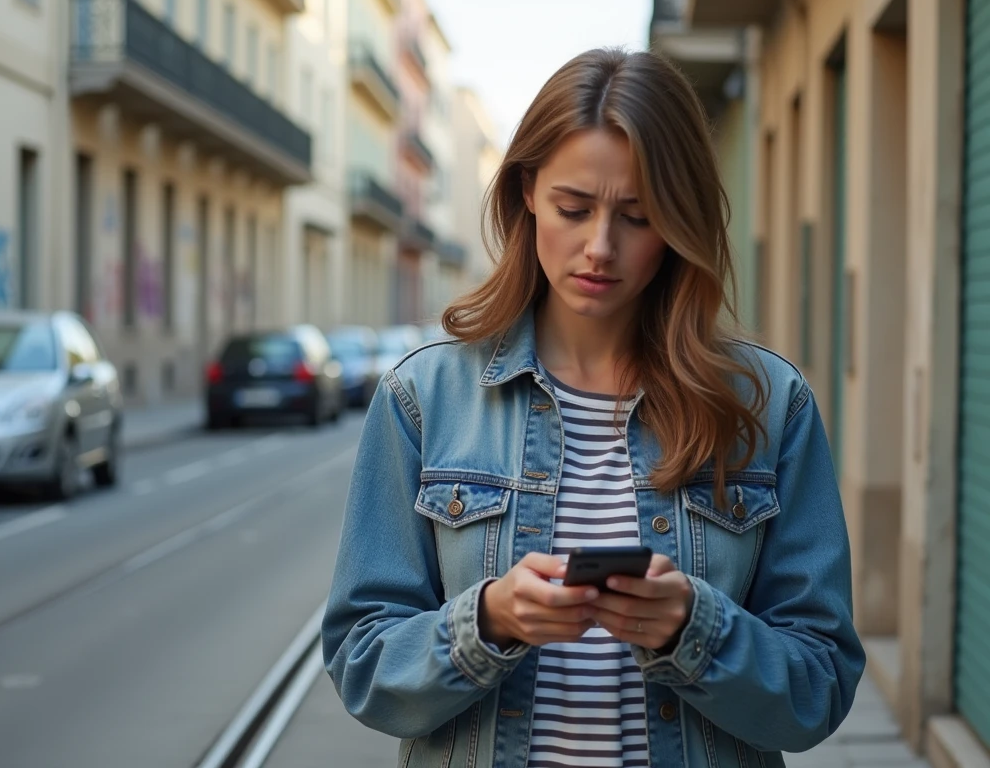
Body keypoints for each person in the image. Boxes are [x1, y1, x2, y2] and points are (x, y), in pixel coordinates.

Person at [321, 48, 865, 768]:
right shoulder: (424, 400)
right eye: (574, 209)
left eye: (637, 217)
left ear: (678, 224)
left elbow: (818, 688)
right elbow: (363, 664)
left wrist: (693, 629)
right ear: (527, 195)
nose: (599, 248)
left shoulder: (767, 407)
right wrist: (486, 622)